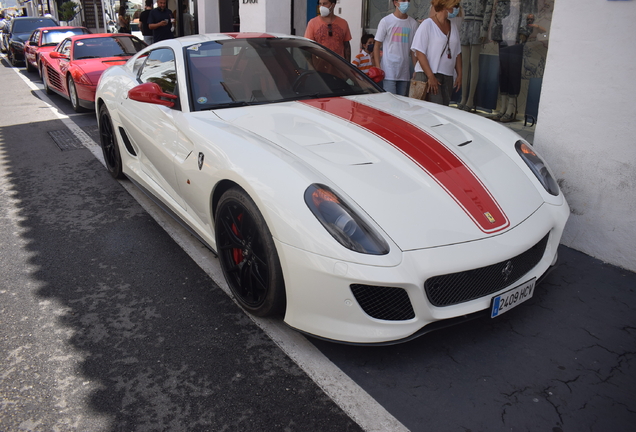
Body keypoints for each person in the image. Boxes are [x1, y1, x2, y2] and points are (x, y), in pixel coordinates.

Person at [411, 0, 462, 106]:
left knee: (444, 107)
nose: (457, 9)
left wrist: (459, 74)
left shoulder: (453, 26)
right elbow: (420, 52)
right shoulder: (427, 24)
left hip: (447, 75)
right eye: (455, 6)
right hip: (429, 74)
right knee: (432, 109)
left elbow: (457, 53)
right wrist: (430, 76)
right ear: (446, 6)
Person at [373, 0, 419, 96]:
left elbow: (413, 49)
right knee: (391, 103)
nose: (406, 3)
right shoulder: (386, 21)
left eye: (408, 0)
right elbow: (377, 45)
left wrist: (416, 69)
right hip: (388, 71)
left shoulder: (413, 23)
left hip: (404, 71)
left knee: (401, 104)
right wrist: (378, 66)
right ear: (395, 2)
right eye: (403, 0)